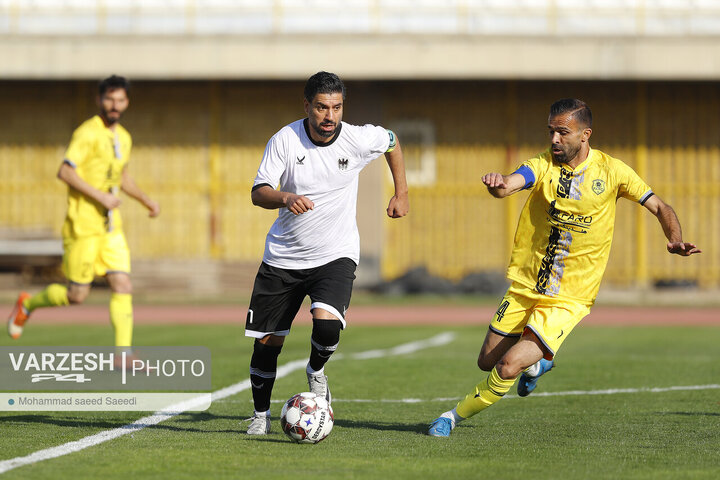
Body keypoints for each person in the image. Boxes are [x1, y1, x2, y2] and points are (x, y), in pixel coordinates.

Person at [428, 98, 701, 437]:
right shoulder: (543, 165)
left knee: (507, 364)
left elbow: (660, 206)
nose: (554, 140)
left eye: (563, 132)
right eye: (551, 132)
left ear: (585, 134)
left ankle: (450, 417)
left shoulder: (613, 171)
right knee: (486, 360)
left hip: (570, 297)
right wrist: (500, 185)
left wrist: (675, 238)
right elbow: (513, 182)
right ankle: (538, 365)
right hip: (527, 285)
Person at [244, 71, 409, 435]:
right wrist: (285, 197)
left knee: (327, 323)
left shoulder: (357, 138)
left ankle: (316, 370)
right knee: (269, 344)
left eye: (336, 107)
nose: (329, 115)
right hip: (284, 257)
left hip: (335, 253)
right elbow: (259, 191)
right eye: (321, 107)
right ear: (307, 106)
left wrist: (402, 192)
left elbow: (393, 141)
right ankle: (260, 417)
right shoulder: (285, 140)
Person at [7, 75, 160, 352]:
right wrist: (101, 195)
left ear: (127, 102)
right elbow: (65, 171)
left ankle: (123, 355)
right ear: (99, 100)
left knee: (123, 283)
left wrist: (145, 200)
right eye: (110, 99)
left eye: (120, 100)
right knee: (76, 295)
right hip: (83, 226)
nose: (115, 105)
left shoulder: (124, 137)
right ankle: (27, 303)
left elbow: (121, 175)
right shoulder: (87, 133)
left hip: (111, 227)